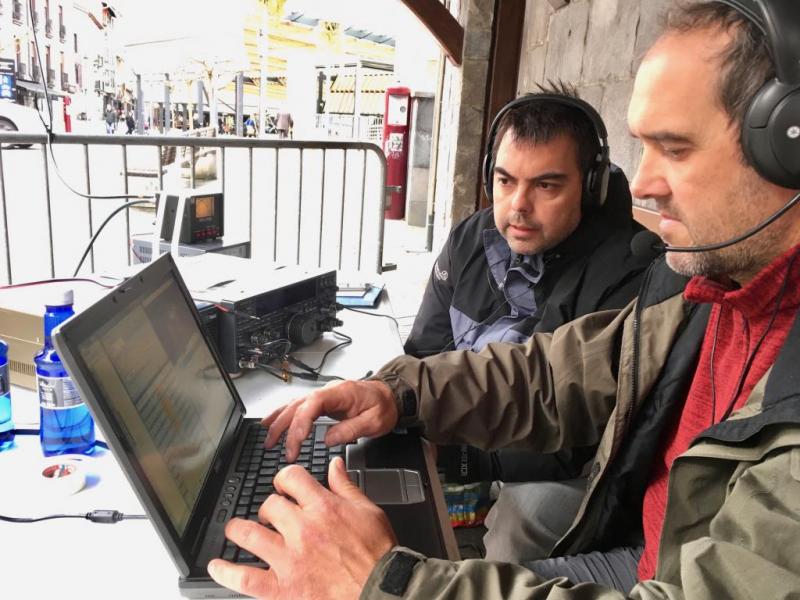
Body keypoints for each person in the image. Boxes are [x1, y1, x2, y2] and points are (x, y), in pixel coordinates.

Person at [208, 1, 800, 598]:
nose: (643, 183)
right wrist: (400, 393)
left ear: (789, 145)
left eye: (674, 149)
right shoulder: (703, 292)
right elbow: (554, 376)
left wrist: (392, 587)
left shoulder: (662, 270)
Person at [404, 86, 649, 559]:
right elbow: (424, 353)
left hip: (566, 462)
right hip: (472, 437)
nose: (518, 205)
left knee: (523, 517)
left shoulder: (627, 275)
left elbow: (580, 435)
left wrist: (460, 456)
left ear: (592, 186)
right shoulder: (471, 238)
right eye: (505, 181)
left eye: (546, 186)